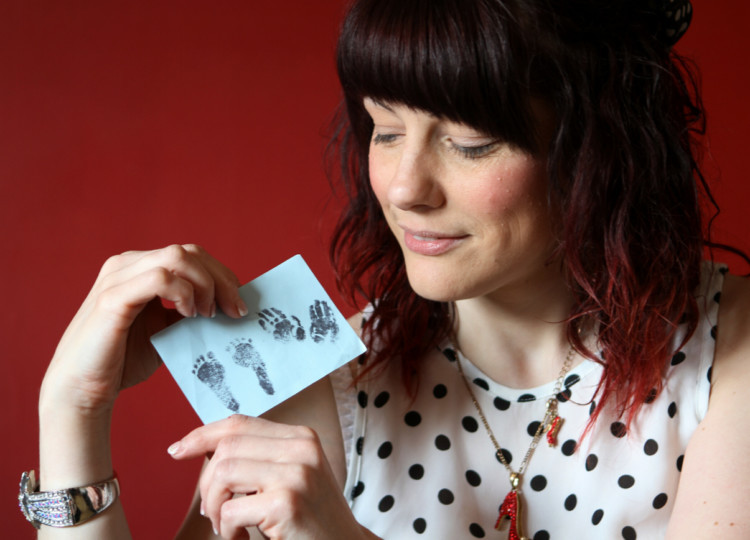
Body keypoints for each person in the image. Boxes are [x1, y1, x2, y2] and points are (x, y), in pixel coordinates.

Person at [23, 0, 750, 538]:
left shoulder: (731, 352)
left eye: (469, 143)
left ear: (598, 148)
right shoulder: (320, 379)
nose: (405, 188)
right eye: (386, 128)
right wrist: (70, 414)